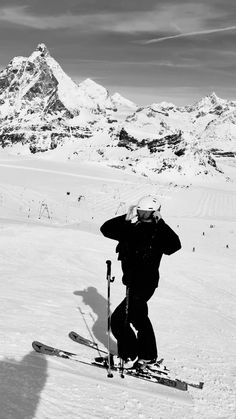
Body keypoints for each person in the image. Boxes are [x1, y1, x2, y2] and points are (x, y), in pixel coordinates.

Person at [100, 195, 181, 369]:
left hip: (145, 284)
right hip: (131, 283)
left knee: (121, 319)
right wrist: (125, 217)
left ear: (155, 214)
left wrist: (162, 224)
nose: (142, 215)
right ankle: (139, 355)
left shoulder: (158, 232)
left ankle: (137, 355)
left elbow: (174, 246)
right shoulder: (131, 228)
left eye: (146, 213)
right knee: (135, 317)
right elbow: (105, 229)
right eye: (140, 211)